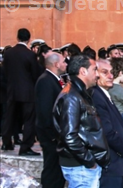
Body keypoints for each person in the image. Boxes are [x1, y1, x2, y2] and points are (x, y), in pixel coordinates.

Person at [53, 55, 109, 188]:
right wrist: (89, 161)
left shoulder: (80, 93)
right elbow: (69, 136)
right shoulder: (71, 97)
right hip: (81, 167)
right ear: (83, 71)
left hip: (83, 166)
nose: (97, 75)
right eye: (95, 70)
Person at [92, 58, 123, 187]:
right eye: (104, 72)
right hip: (111, 161)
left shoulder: (104, 94)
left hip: (116, 161)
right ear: (95, 74)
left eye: (112, 72)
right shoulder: (96, 96)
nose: (110, 76)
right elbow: (107, 131)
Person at [1, 28, 40, 155]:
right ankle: (25, 147)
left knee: (9, 117)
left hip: (12, 90)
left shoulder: (8, 53)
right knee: (28, 120)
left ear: (17, 38)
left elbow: (6, 72)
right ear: (29, 39)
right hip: (27, 92)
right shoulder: (30, 54)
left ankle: (6, 143)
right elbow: (35, 73)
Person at [35, 52, 67, 188]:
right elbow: (45, 111)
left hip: (55, 135)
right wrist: (54, 136)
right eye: (64, 61)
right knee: (52, 170)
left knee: (57, 171)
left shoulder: (54, 79)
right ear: (56, 64)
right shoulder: (46, 81)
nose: (66, 64)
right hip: (51, 136)